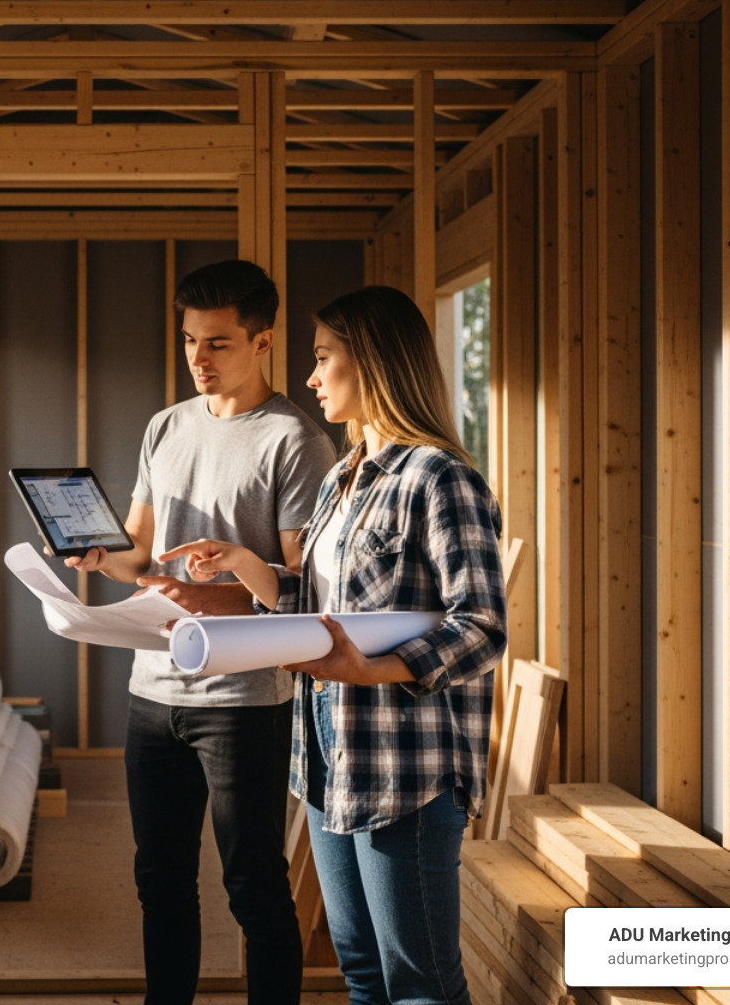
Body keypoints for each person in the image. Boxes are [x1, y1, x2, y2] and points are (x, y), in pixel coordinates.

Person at [161, 285, 508, 1005]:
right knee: (360, 972)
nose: (311, 378)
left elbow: (480, 625)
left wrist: (372, 666)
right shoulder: (341, 480)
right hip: (326, 759)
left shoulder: (440, 479)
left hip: (404, 770)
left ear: (375, 366)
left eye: (324, 359)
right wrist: (241, 573)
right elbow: (321, 606)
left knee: (419, 985)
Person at [61, 259, 336, 1005]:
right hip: (153, 689)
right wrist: (100, 559)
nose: (198, 359)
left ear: (263, 341)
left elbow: (302, 594)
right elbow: (139, 553)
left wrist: (212, 592)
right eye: (189, 341)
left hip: (244, 698)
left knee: (252, 885)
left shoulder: (294, 440)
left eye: (217, 343)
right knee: (160, 878)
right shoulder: (166, 426)